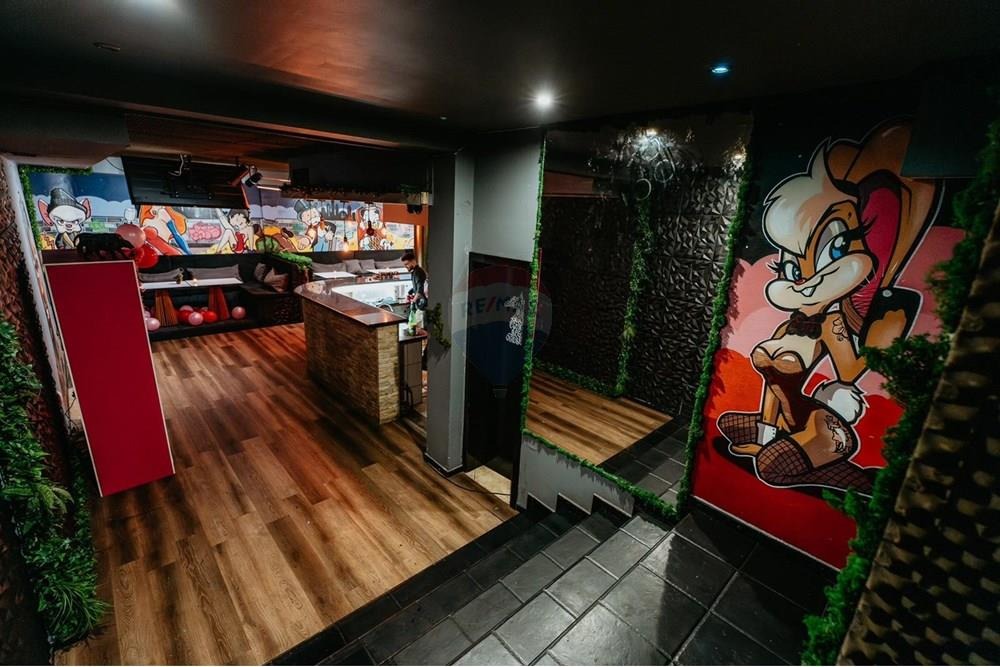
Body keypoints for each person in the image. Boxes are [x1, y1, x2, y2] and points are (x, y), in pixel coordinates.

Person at [402, 251, 427, 323]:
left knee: (419, 326)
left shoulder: (418, 272)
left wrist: (413, 302)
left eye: (407, 264)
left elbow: (420, 290)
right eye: (404, 265)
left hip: (422, 304)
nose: (405, 266)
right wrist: (410, 293)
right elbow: (417, 287)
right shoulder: (415, 272)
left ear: (413, 261)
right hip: (420, 304)